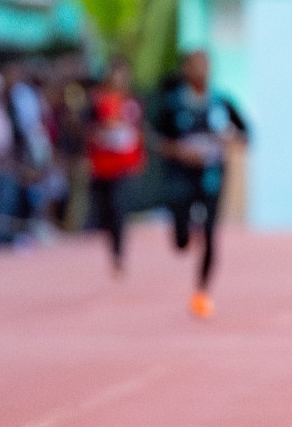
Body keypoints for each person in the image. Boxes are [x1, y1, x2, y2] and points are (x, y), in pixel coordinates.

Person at [153, 50, 248, 317]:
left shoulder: (221, 101)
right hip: (181, 176)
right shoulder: (172, 104)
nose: (201, 71)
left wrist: (231, 138)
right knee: (182, 237)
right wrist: (180, 151)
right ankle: (183, 234)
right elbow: (156, 138)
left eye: (205, 65)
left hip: (212, 176)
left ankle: (201, 291)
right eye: (195, 65)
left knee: (210, 233)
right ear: (185, 69)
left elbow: (245, 133)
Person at [86, 58, 145, 274]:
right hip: (101, 164)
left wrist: (138, 157)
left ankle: (118, 253)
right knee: (104, 210)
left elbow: (137, 132)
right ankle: (110, 243)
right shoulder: (98, 101)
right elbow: (88, 128)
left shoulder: (131, 102)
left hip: (122, 164)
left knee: (117, 207)